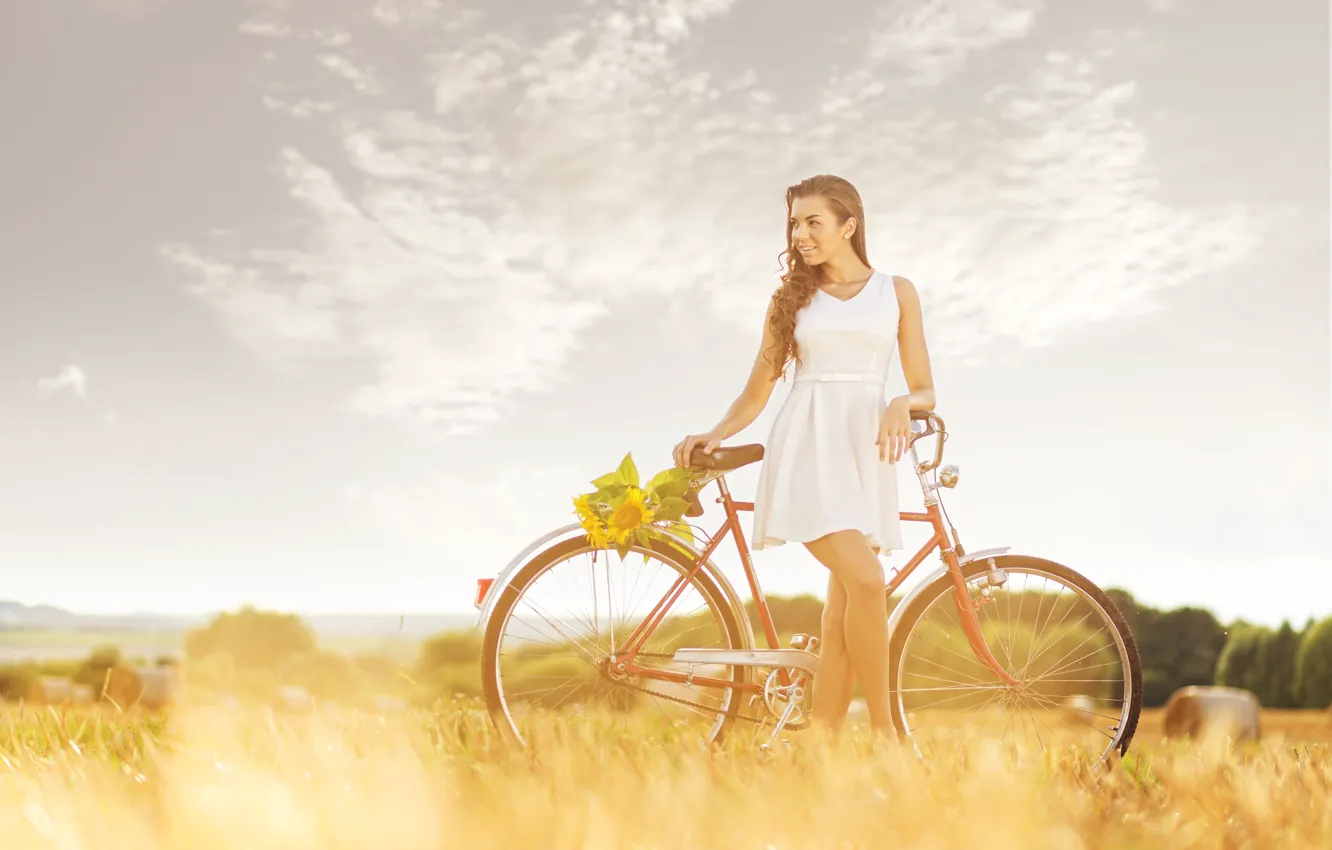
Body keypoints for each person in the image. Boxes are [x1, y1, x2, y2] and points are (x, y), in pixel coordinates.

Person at [671, 174, 936, 737]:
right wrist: (715, 433)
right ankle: (888, 737)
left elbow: (925, 390)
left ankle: (822, 747)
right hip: (806, 448)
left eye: (814, 222)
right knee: (869, 583)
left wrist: (901, 403)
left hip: (865, 455)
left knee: (842, 614)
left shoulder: (897, 292)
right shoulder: (790, 299)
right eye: (795, 224)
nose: (800, 235)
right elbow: (757, 393)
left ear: (849, 226)